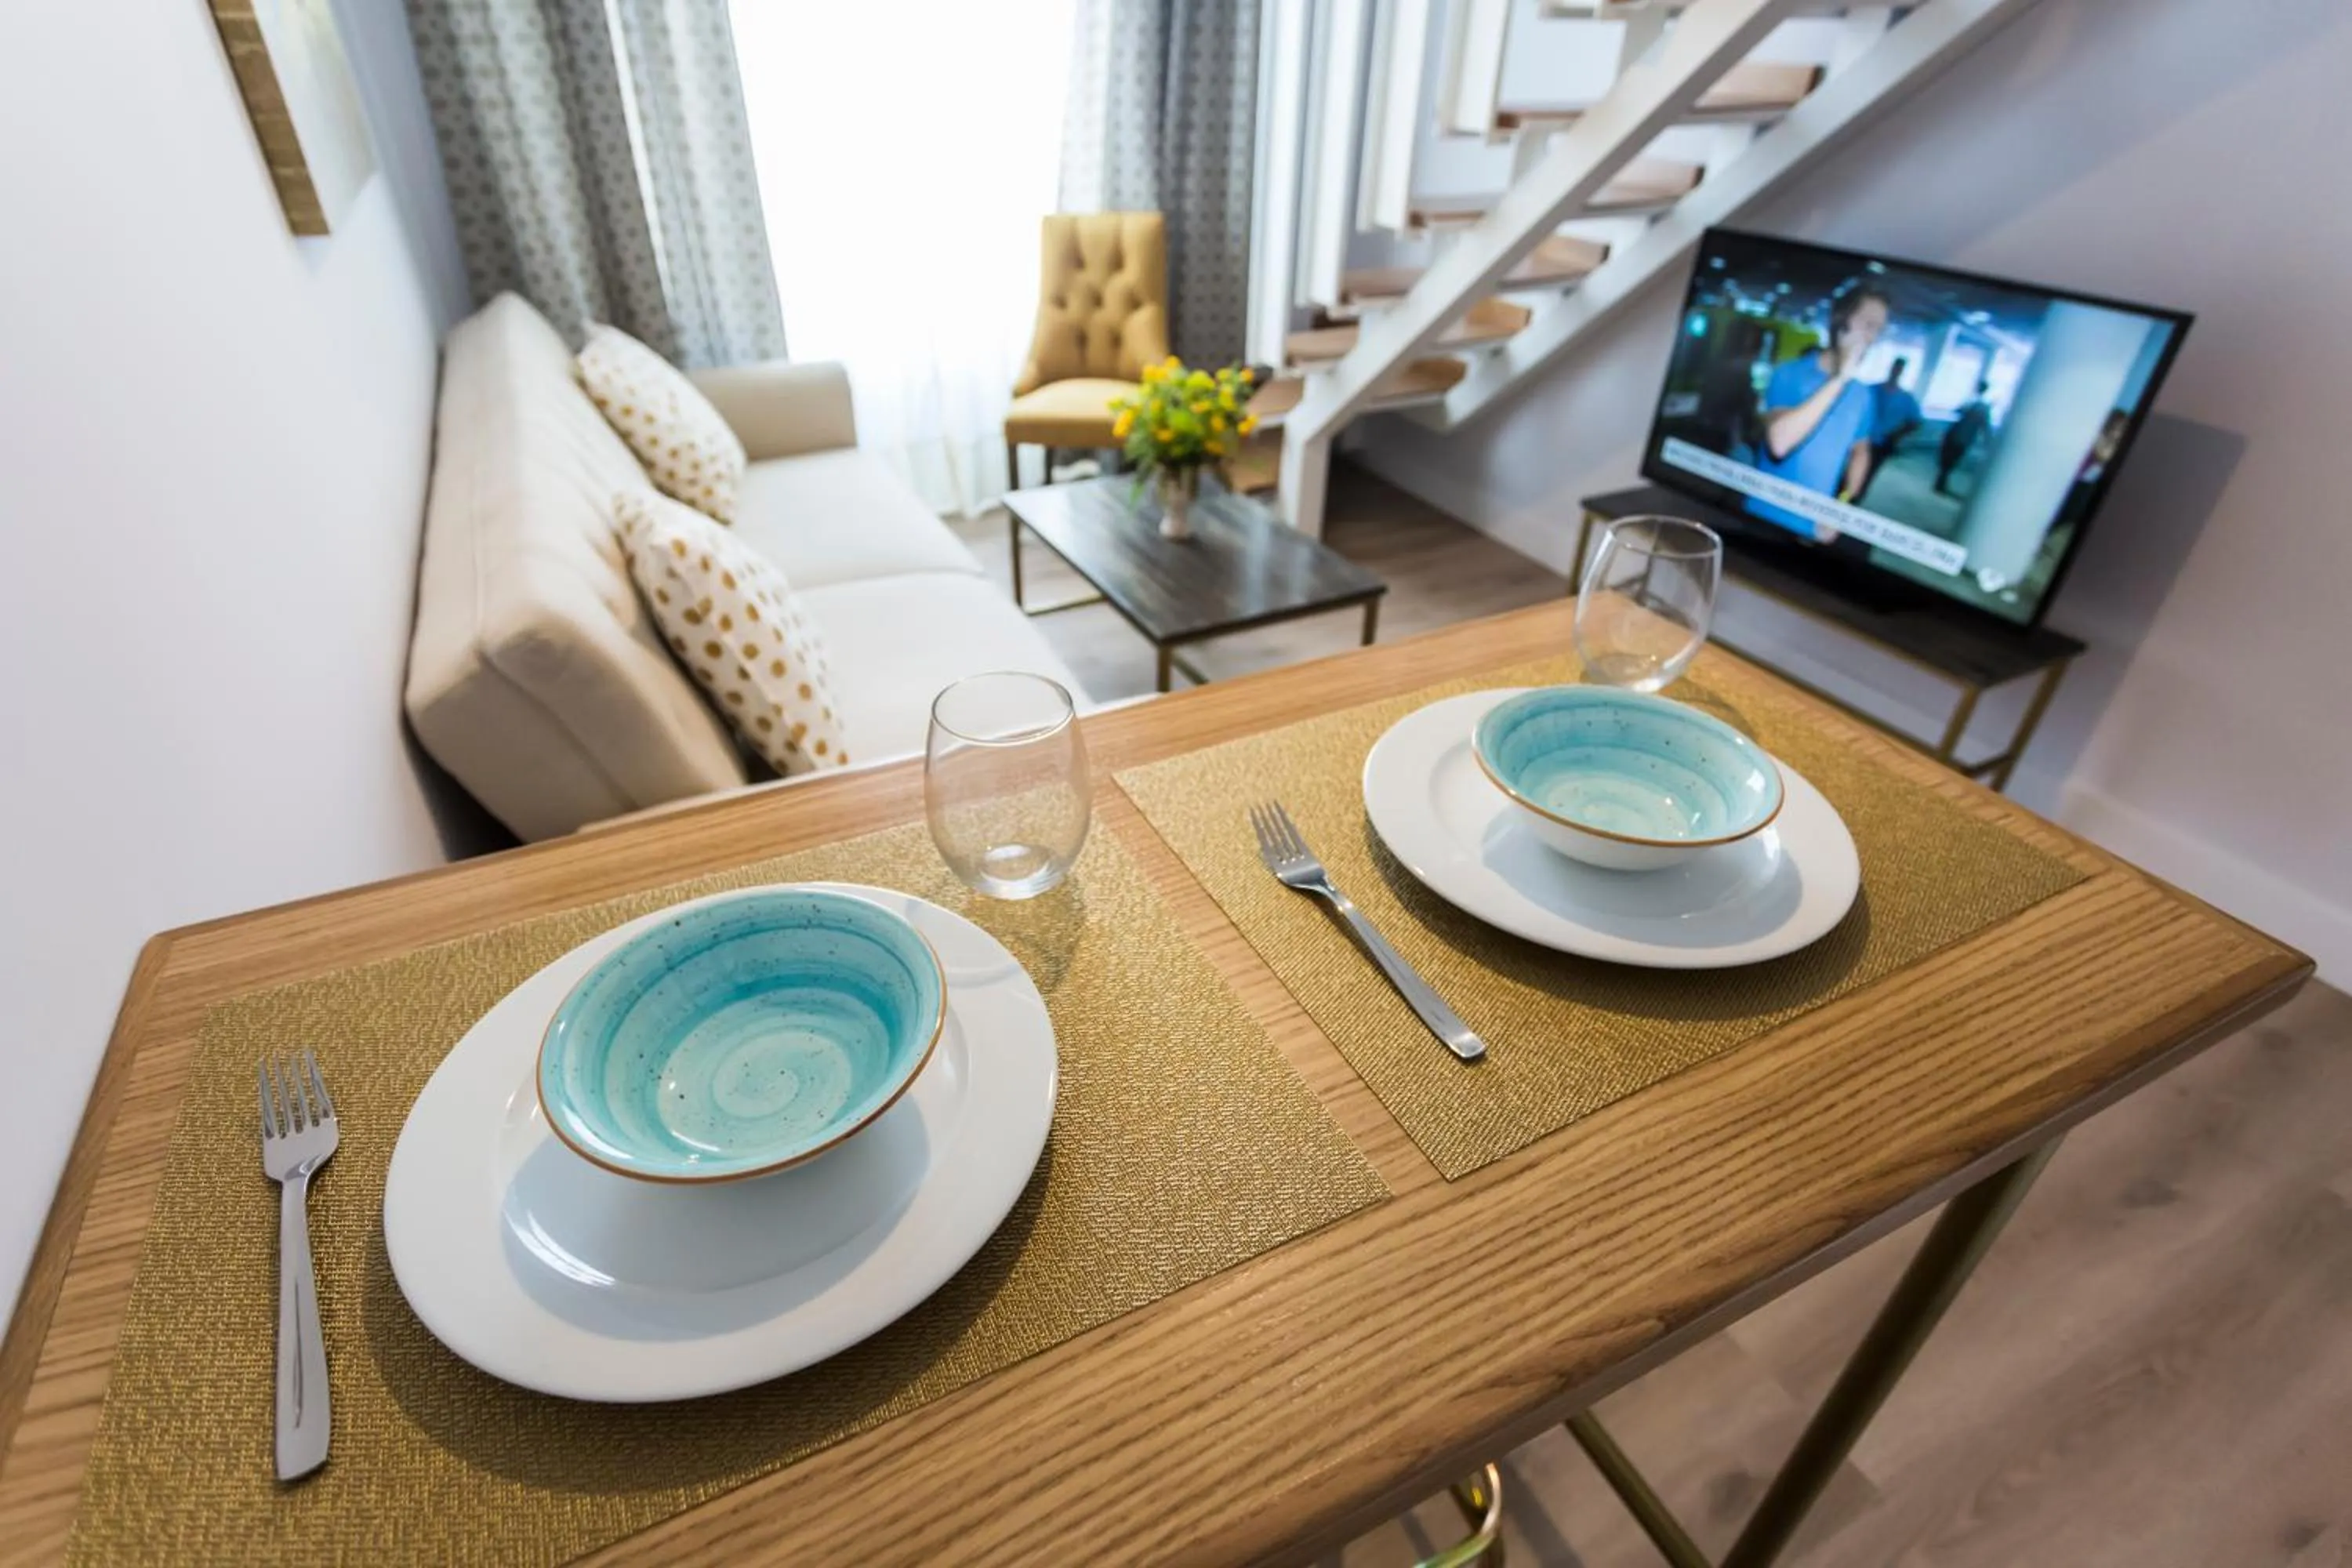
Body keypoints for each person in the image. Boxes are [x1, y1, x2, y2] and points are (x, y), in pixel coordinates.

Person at [1756, 282, 1891, 536]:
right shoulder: (1789, 373)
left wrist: (1842, 506)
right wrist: (1840, 379)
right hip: (1762, 517)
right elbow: (1780, 443)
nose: (1872, 338)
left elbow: (1860, 452)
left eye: (1879, 330)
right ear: (1841, 322)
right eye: (1868, 325)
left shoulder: (1862, 394)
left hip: (1811, 531)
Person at [1867, 357, 1922, 485]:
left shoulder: (1906, 398)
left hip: (1884, 443)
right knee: (1850, 470)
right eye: (1895, 368)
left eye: (1899, 369)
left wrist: (1897, 435)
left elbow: (1915, 422)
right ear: (1891, 368)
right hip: (1863, 439)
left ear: (1902, 372)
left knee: (1869, 474)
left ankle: (1851, 496)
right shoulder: (1872, 390)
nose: (1896, 371)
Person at [1936, 381, 1994, 496]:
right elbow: (1958, 412)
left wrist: (1988, 440)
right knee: (1947, 459)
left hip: (1961, 436)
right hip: (1958, 435)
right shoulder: (1973, 403)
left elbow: (1984, 425)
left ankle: (1941, 482)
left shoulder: (1979, 405)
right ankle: (1940, 482)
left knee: (1950, 460)